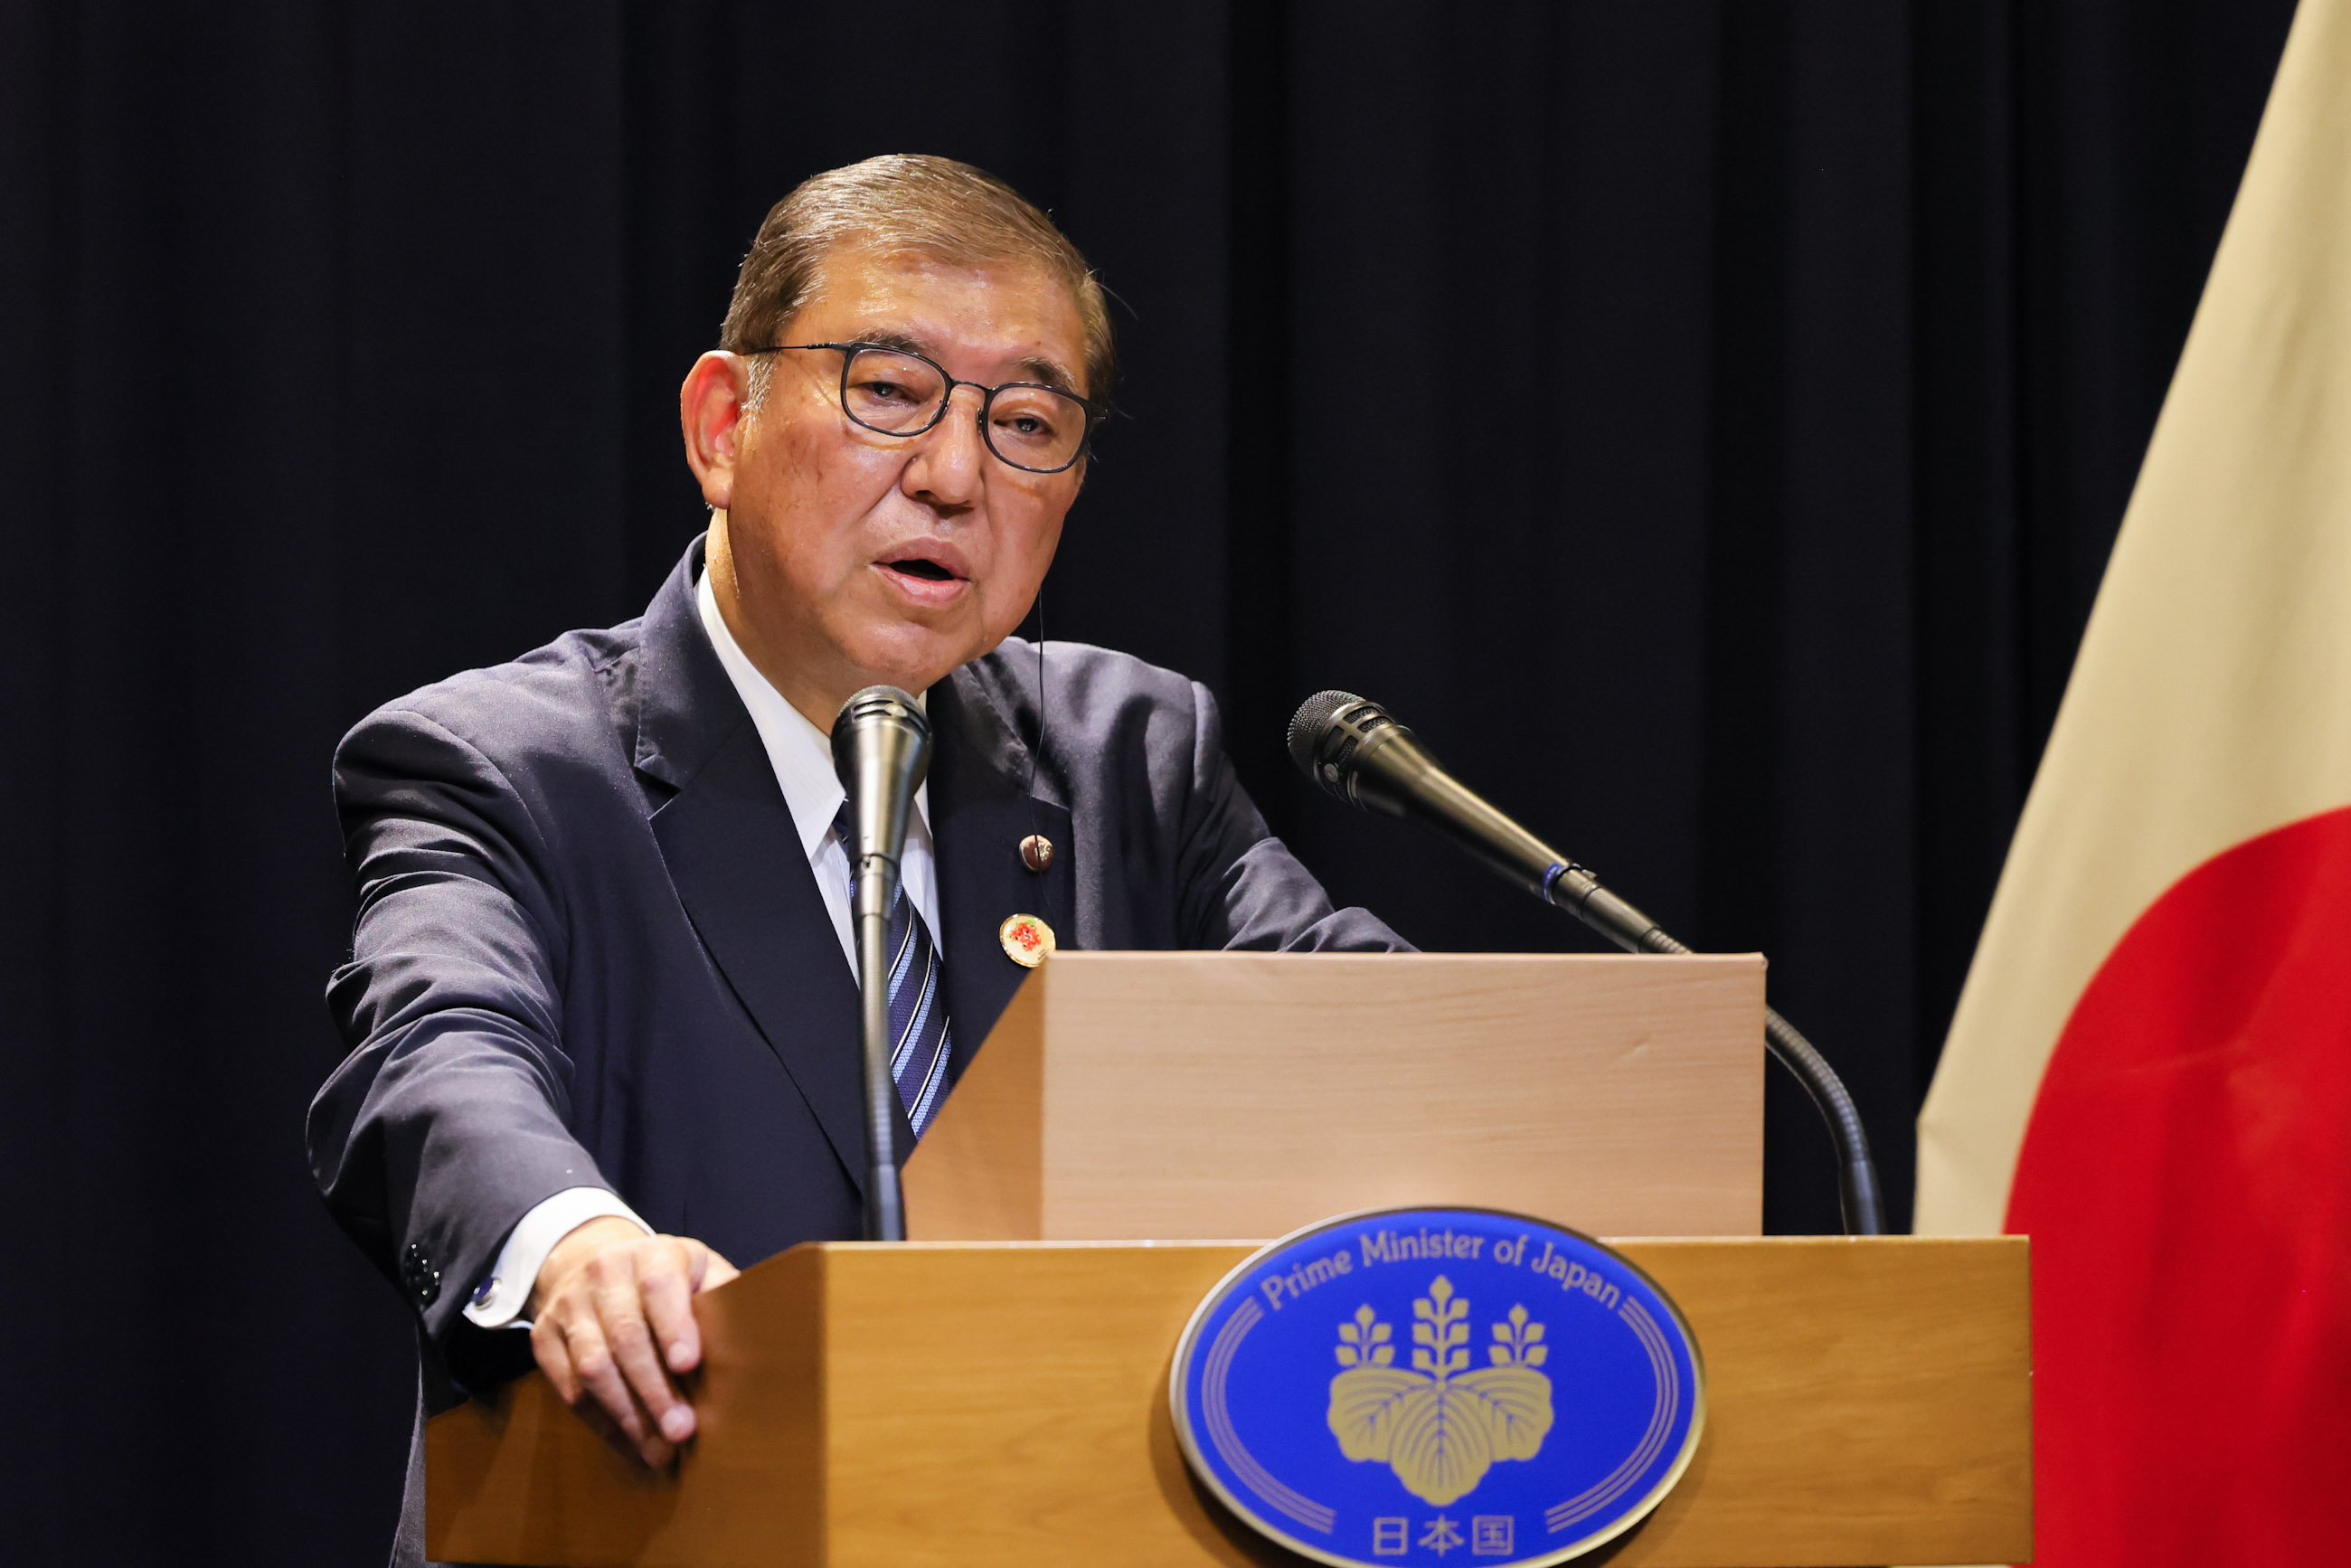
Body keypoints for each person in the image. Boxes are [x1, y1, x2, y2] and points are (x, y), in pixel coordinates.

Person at [307, 153, 1407, 1563]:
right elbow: (435, 1056)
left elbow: (1367, 1032)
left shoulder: (1129, 755)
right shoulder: (505, 765)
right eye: (889, 393)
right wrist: (576, 1242)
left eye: (1026, 421)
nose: (954, 477)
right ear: (722, 424)